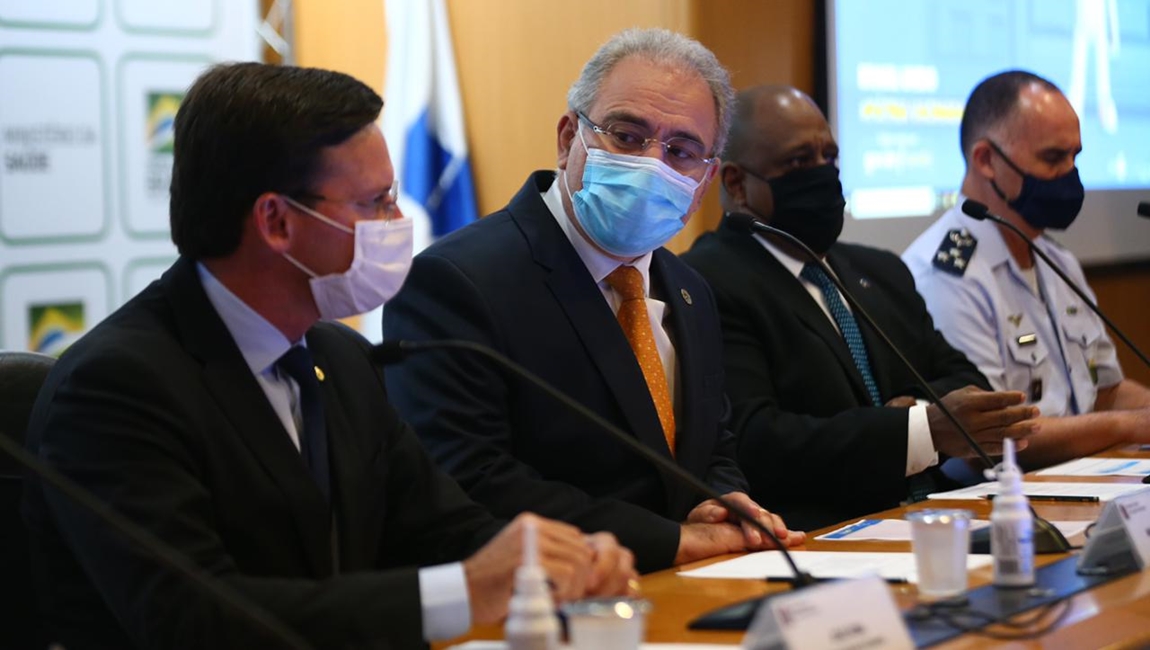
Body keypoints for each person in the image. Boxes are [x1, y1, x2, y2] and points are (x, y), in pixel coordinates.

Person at [21, 62, 635, 650]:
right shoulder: (116, 386)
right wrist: (463, 592)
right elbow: (194, 620)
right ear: (276, 221)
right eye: (376, 202)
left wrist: (550, 560)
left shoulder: (340, 358)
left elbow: (441, 527)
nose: (398, 220)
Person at [382, 29, 803, 574]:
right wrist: (670, 540)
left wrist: (720, 500)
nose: (652, 163)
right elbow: (470, 479)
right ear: (568, 140)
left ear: (704, 181)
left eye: (681, 152)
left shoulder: (691, 288)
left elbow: (712, 443)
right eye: (627, 136)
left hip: (690, 587)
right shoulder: (455, 281)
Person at [680, 85, 1040, 530]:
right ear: (737, 184)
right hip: (825, 530)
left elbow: (967, 382)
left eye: (829, 157)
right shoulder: (706, 281)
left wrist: (914, 416)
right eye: (799, 162)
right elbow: (757, 440)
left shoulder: (880, 270)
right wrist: (919, 429)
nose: (823, 173)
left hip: (937, 513)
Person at [903, 70, 1150, 470]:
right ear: (986, 160)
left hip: (1083, 476)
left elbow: (1107, 392)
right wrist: (1129, 426)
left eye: (1075, 157)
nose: (1070, 173)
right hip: (999, 494)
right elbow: (992, 435)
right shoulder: (945, 274)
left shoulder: (1057, 260)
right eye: (1053, 158)